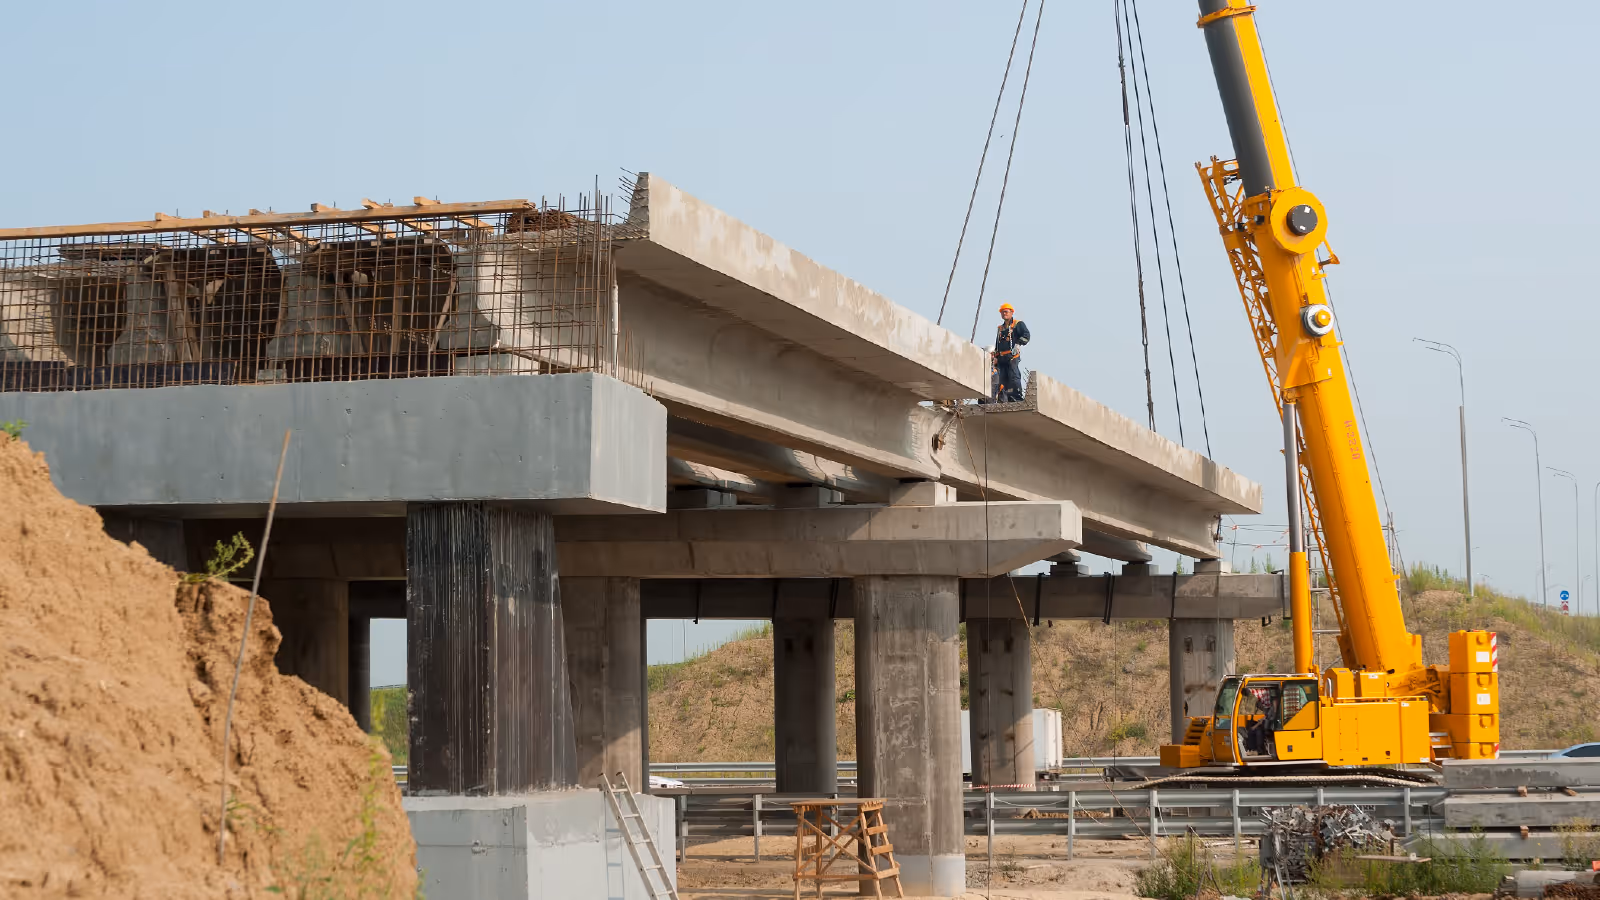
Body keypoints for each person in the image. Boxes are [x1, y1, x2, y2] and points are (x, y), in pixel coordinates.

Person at [992, 303, 1030, 402]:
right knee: (1001, 380)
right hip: (1001, 358)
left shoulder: (1018, 324)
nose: (1004, 313)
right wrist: (995, 356)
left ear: (1012, 312)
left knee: (1013, 377)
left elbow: (1026, 335)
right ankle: (1003, 400)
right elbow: (998, 344)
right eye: (1002, 312)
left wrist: (1018, 344)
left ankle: (1016, 399)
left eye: (1006, 311)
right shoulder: (1000, 328)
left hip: (1012, 356)